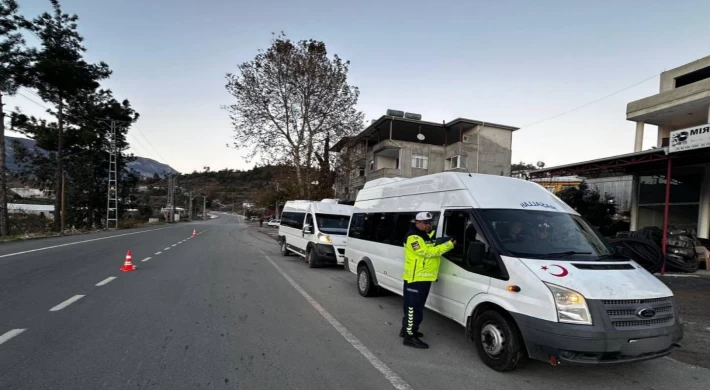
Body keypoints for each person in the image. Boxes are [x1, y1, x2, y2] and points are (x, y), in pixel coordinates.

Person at [401, 212, 455, 349]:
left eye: (430, 223)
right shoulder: (412, 237)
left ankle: (406, 330)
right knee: (414, 309)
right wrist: (449, 245)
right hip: (415, 279)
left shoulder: (425, 236)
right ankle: (409, 337)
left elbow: (432, 243)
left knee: (415, 307)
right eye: (425, 223)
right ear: (417, 222)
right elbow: (427, 252)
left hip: (424, 278)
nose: (428, 225)